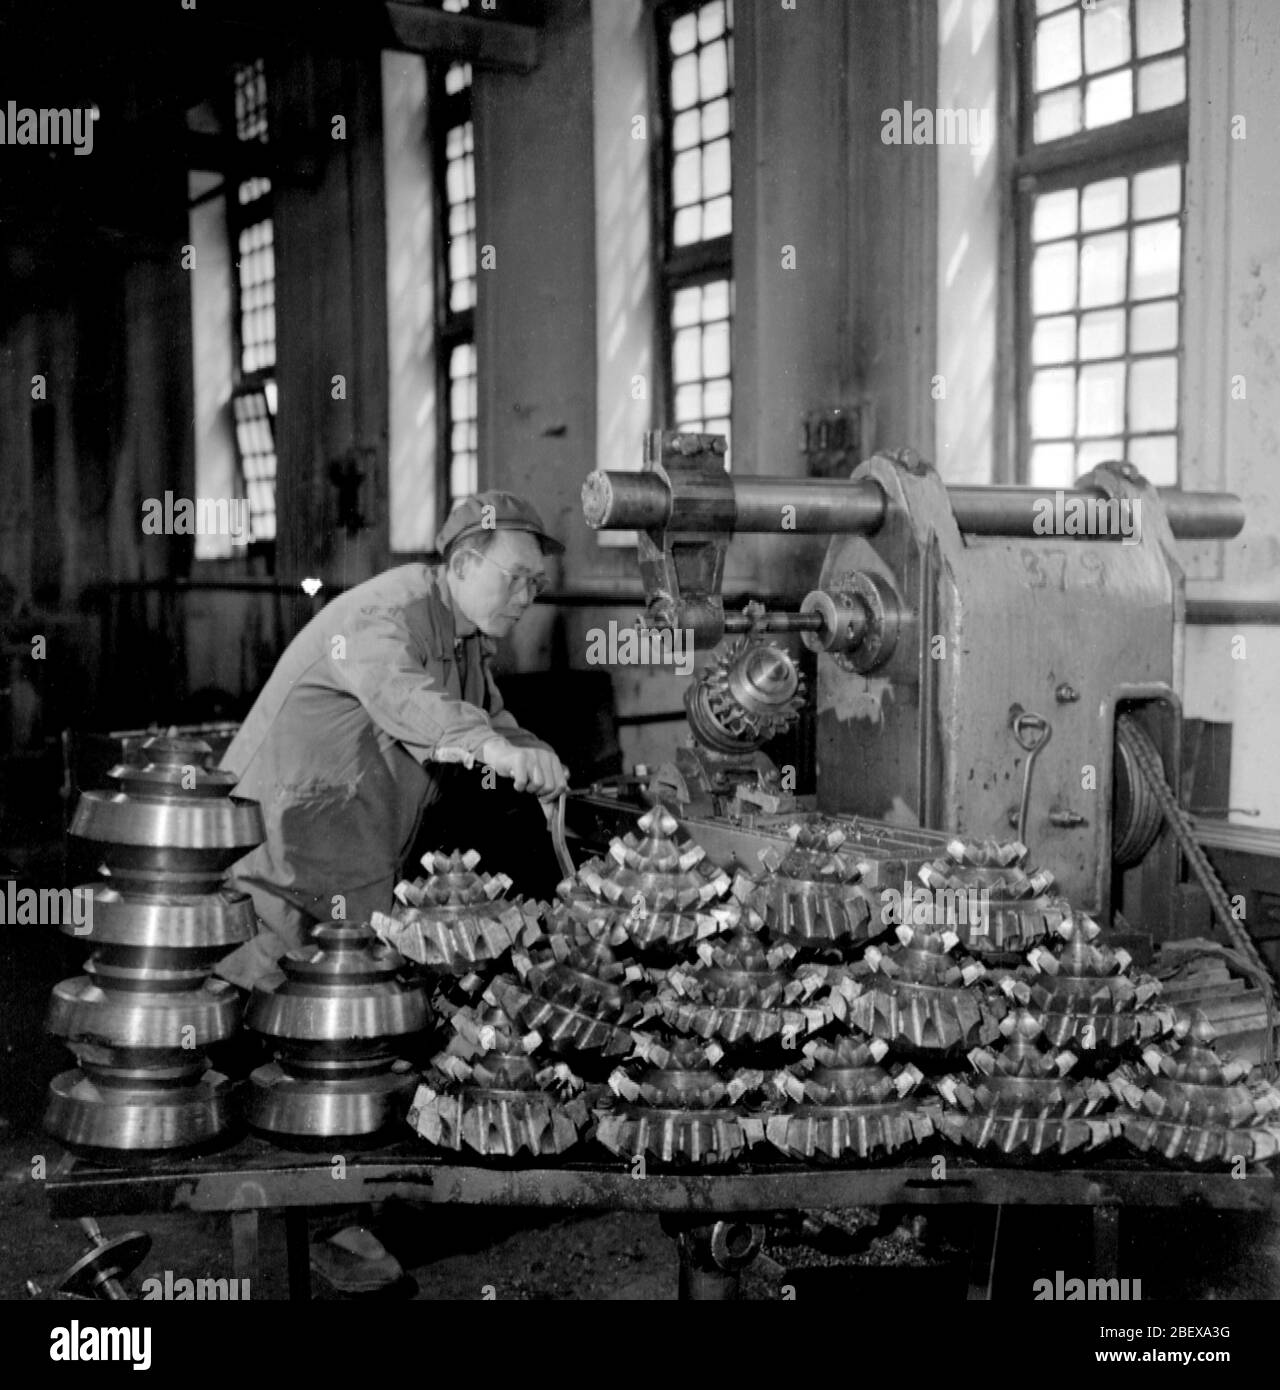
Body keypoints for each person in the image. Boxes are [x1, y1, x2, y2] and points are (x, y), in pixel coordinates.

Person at [214, 490, 569, 991]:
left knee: (332, 1026)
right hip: (283, 862)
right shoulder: (388, 611)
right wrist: (491, 750)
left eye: (536, 584)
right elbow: (402, 692)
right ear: (465, 564)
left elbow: (487, 717)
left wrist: (534, 755)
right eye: (516, 580)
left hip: (348, 861)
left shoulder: (465, 640)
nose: (526, 598)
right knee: (263, 1011)